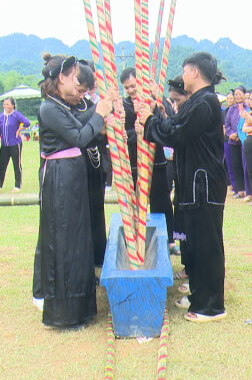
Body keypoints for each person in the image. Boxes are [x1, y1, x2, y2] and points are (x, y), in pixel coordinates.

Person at [138, 51, 227, 323]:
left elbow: (177, 133)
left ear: (195, 73)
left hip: (204, 184)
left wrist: (149, 122)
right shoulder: (197, 101)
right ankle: (199, 294)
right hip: (193, 182)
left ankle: (211, 305)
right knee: (194, 243)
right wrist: (155, 116)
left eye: (185, 71)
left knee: (207, 245)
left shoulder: (205, 102)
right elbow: (174, 124)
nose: (182, 76)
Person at [32, 53, 112, 329]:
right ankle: (65, 313)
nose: (78, 84)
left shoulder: (62, 106)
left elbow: (81, 123)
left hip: (72, 175)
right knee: (64, 240)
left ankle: (80, 305)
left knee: (78, 239)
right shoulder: (49, 109)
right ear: (61, 78)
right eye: (75, 78)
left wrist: (103, 110)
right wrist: (100, 113)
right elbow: (79, 136)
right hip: (61, 178)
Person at [120, 67, 177, 254]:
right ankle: (138, 239)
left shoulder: (155, 101)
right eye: (127, 87)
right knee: (136, 203)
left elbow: (167, 122)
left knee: (162, 201)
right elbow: (121, 134)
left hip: (157, 160)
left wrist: (155, 103)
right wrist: (137, 132)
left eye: (133, 85)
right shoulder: (122, 106)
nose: (131, 90)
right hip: (135, 163)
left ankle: (170, 241)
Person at [73, 62, 111, 267]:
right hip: (78, 165)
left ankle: (99, 254)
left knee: (97, 210)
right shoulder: (67, 106)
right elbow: (79, 128)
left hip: (95, 161)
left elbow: (99, 131)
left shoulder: (89, 103)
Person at [0, 97, 30, 192]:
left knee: (16, 164)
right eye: (4, 104)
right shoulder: (1, 117)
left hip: (15, 143)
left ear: (12, 105)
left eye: (7, 104)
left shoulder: (16, 115)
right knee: (2, 165)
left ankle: (17, 185)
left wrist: (20, 129)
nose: (6, 106)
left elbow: (27, 122)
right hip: (4, 145)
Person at [225, 86, 247, 198]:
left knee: (245, 165)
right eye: (236, 94)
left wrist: (239, 134)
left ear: (244, 94)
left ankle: (248, 189)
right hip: (233, 141)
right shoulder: (231, 110)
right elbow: (227, 124)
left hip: (244, 141)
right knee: (236, 165)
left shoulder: (248, 108)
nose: (238, 96)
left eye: (240, 94)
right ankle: (239, 189)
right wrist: (231, 134)